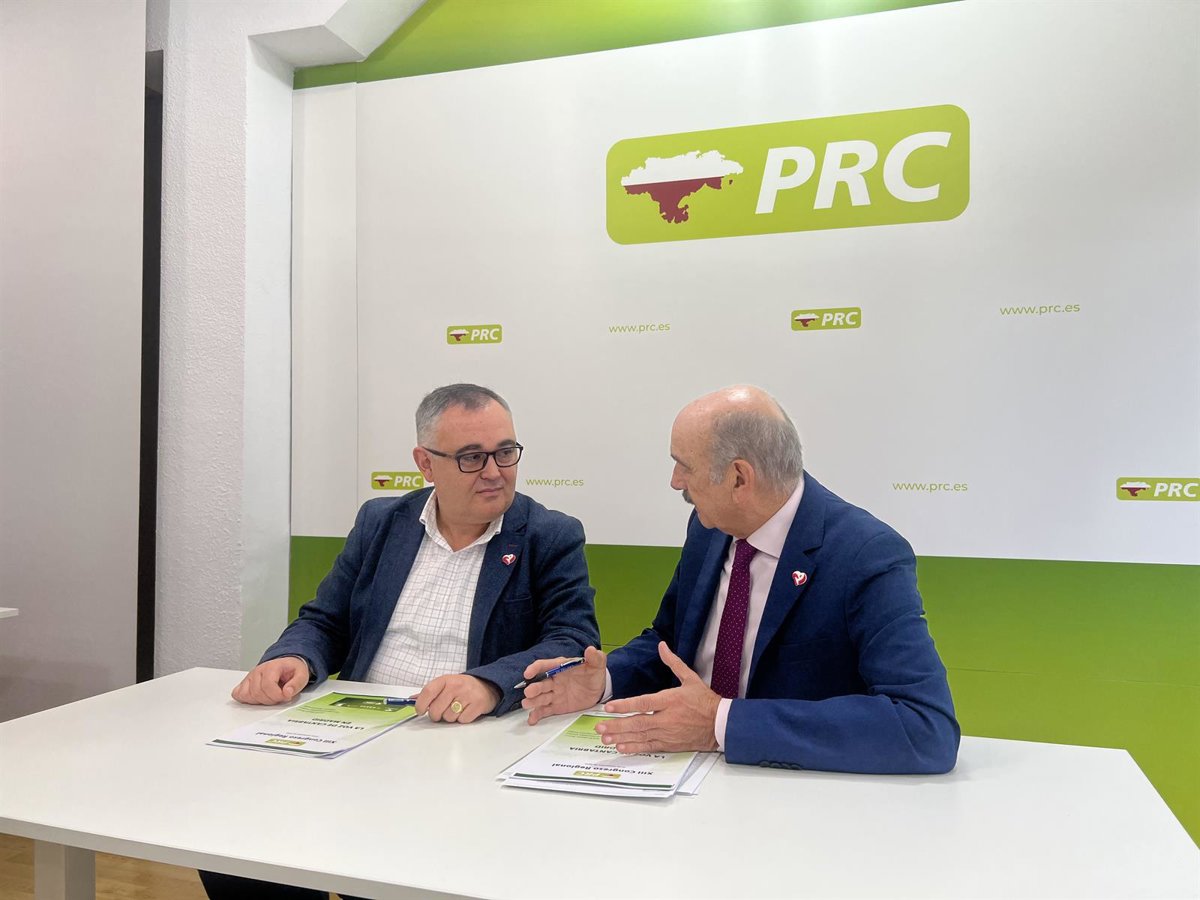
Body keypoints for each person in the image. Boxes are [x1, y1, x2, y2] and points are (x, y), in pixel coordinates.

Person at [201, 383, 598, 900]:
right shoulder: (381, 522)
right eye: (472, 457)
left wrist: (488, 684)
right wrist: (294, 656)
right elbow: (326, 620)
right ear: (425, 463)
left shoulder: (549, 534)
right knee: (235, 848)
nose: (494, 471)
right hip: (359, 735)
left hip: (464, 750)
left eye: (505, 452)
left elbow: (572, 640)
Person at [521, 385, 958, 774]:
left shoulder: (864, 554)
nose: (675, 482)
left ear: (738, 478)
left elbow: (924, 726)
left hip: (790, 799)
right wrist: (605, 681)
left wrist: (721, 723)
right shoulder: (709, 527)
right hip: (679, 780)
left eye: (683, 466)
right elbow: (670, 643)